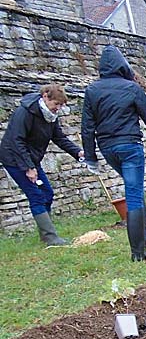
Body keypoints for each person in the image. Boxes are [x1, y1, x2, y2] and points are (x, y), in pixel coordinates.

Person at [81, 45, 146, 261]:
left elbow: (87, 127)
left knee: (135, 190)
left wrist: (91, 157)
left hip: (108, 149)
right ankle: (138, 253)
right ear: (123, 65)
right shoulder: (131, 88)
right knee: (133, 195)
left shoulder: (92, 90)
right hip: (130, 147)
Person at [0, 84, 83, 245]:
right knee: (36, 195)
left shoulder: (50, 116)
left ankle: (46, 236)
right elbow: (17, 140)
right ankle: (50, 237)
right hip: (14, 159)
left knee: (47, 193)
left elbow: (59, 138)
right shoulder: (25, 112)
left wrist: (78, 152)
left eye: (61, 105)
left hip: (30, 159)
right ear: (45, 96)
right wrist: (29, 168)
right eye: (56, 104)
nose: (58, 108)